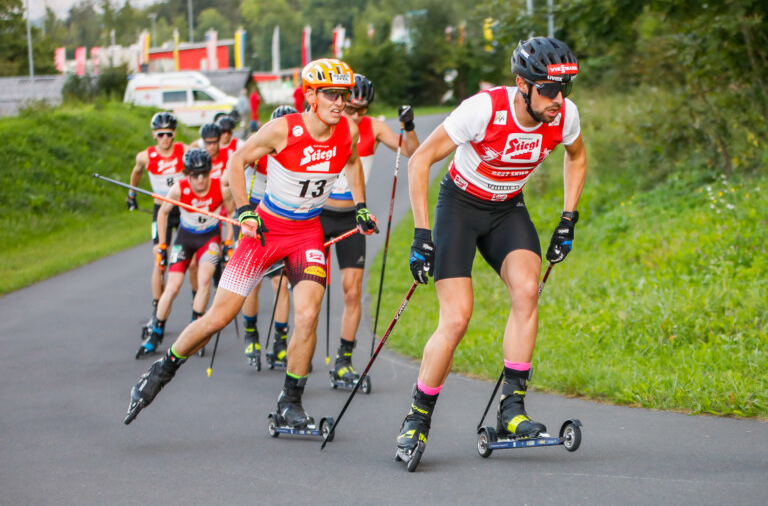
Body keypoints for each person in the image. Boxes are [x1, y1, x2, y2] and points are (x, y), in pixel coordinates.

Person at [124, 59, 379, 428]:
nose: (340, 103)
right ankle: (160, 372)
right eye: (332, 95)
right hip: (267, 232)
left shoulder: (347, 132)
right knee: (218, 317)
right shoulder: (282, 130)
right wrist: (245, 211)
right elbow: (238, 161)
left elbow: (353, 162)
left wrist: (360, 206)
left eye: (344, 95)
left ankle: (290, 402)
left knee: (307, 314)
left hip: (307, 233)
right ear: (311, 95)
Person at [395, 37, 587, 462]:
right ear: (523, 84)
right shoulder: (484, 109)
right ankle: (417, 419)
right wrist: (421, 234)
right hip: (460, 208)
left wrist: (568, 217)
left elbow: (576, 155)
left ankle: (512, 410)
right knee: (458, 317)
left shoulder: (563, 116)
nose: (560, 99)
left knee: (526, 290)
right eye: (550, 90)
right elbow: (419, 160)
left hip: (507, 210)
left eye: (566, 89)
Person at [320, 74, 420, 385]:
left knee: (352, 293)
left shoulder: (373, 127)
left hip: (352, 218)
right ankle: (292, 351)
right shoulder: (324, 125)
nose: (356, 115)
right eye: (351, 107)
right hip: (318, 216)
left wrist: (409, 126)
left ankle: (343, 361)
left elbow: (414, 153)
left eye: (362, 109)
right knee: (310, 293)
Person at [137, 149, 234, 358]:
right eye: (194, 175)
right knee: (172, 287)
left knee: (205, 279)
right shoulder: (178, 189)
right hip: (185, 238)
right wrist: (163, 245)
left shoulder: (221, 188)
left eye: (204, 174)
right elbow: (162, 213)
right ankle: (156, 332)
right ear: (186, 174)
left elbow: (232, 214)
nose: (200, 180)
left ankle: (196, 329)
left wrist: (228, 242)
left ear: (209, 172)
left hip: (209, 238)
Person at [221, 105, 297, 369]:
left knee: (280, 282)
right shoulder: (259, 148)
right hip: (254, 217)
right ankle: (251, 334)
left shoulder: (296, 152)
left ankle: (279, 343)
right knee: (253, 283)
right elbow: (226, 178)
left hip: (280, 221)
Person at [128, 112, 190, 338]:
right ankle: (157, 310)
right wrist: (131, 194)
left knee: (190, 262)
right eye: (161, 134)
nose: (165, 139)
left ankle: (197, 309)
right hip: (160, 212)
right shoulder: (146, 156)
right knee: (159, 259)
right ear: (154, 134)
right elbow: (136, 172)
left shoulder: (184, 151)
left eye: (169, 134)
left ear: (174, 134)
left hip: (182, 210)